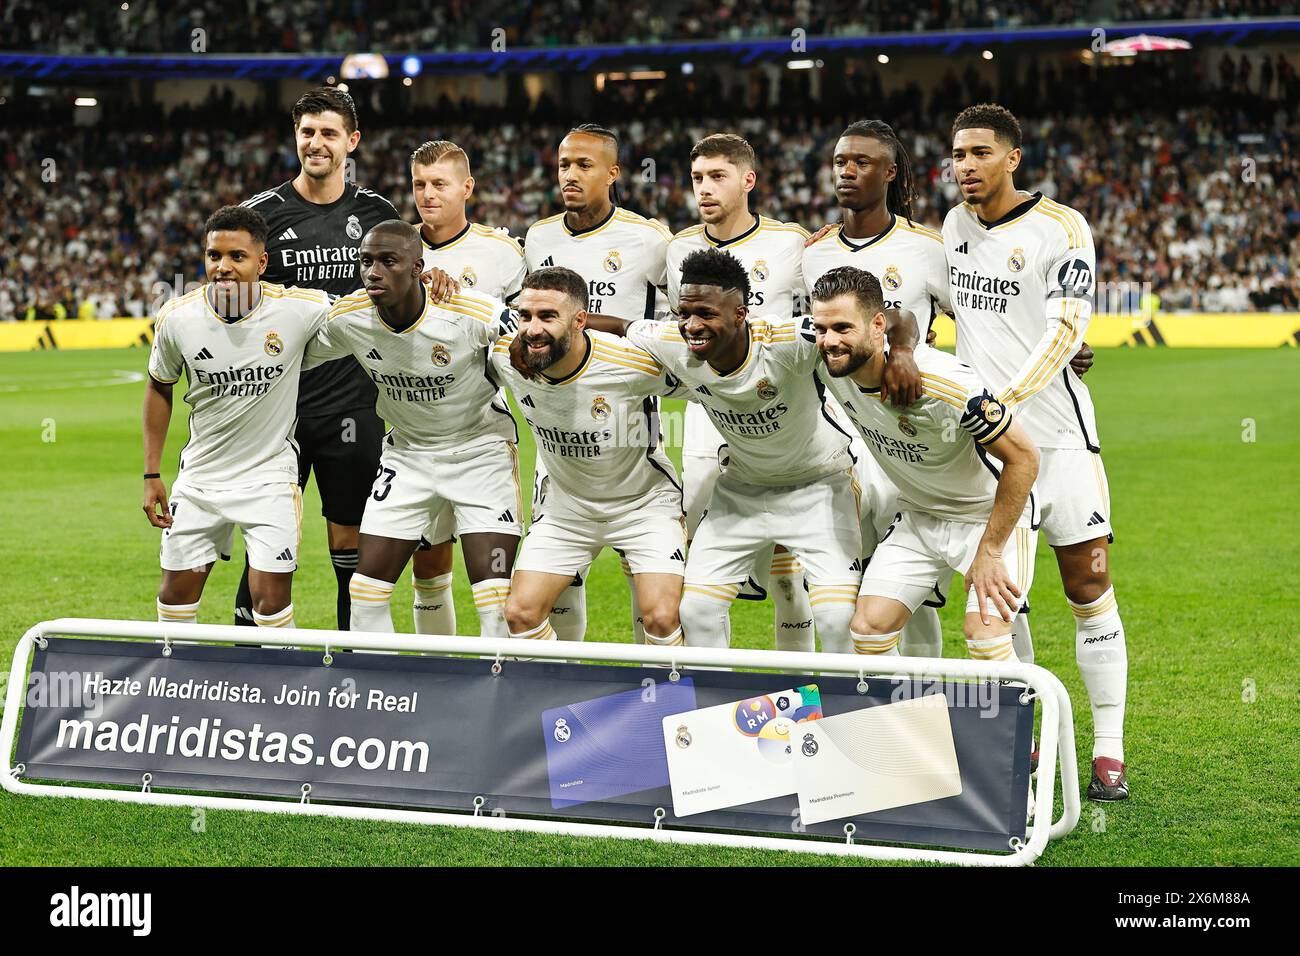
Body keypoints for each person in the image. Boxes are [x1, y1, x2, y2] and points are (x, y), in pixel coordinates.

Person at [946, 103, 1128, 800]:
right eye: (958, 154)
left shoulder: (1063, 227)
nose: (966, 166)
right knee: (1003, 600)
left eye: (980, 153)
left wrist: (1002, 403)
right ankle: (1027, 744)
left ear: (1012, 159)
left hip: (1056, 439)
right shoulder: (954, 227)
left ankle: (1108, 746)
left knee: (1087, 586)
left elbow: (1064, 333)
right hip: (989, 450)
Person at [810, 267, 1039, 665]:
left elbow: (1024, 458)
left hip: (987, 517)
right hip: (920, 515)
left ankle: (1032, 726)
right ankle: (904, 726)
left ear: (876, 325)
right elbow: (902, 318)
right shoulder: (829, 360)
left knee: (985, 639)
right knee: (868, 630)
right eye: (821, 328)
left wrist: (990, 550)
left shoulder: (945, 386)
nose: (829, 341)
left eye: (843, 328)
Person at [304, 221, 521, 635]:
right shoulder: (350, 318)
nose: (373, 272)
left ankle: (496, 695)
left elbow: (532, 344)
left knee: (495, 602)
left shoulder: (472, 313)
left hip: (480, 452)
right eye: (366, 261)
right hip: (408, 455)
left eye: (388, 262)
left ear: (419, 267)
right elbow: (295, 350)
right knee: (364, 594)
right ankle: (394, 696)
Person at [238, 86, 399, 632]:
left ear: (352, 141)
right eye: (307, 132)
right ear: (295, 137)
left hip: (356, 405)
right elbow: (235, 305)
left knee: (349, 538)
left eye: (329, 132)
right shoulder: (261, 215)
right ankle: (248, 662)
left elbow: (398, 299)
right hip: (276, 411)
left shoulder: (378, 213)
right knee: (267, 538)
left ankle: (352, 665)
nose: (316, 143)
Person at [142, 206, 329, 631]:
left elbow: (365, 309)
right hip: (201, 477)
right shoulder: (178, 318)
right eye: (213, 256)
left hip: (270, 475)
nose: (222, 267)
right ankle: (174, 690)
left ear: (261, 262)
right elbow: (159, 385)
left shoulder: (300, 309)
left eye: (236, 257)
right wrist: (152, 471)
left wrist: (423, 282)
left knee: (270, 600)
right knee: (175, 595)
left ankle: (280, 689)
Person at [666, 132, 818, 652]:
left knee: (786, 570)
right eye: (697, 179)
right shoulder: (678, 249)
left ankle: (800, 693)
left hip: (783, 414)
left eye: (717, 176)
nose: (703, 189)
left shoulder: (792, 243)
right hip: (710, 413)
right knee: (703, 570)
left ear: (748, 180)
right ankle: (715, 701)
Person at [523, 123, 672, 642]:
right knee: (561, 585)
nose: (570, 174)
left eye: (584, 165)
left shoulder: (649, 239)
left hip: (630, 436)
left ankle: (650, 699)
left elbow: (682, 320)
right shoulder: (538, 238)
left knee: (649, 589)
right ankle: (567, 698)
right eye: (564, 164)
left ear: (612, 173)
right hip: (558, 438)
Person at [490, 267, 685, 648]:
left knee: (661, 619)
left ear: (580, 321)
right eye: (525, 316)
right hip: (568, 511)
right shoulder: (506, 357)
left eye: (548, 317)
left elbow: (706, 382)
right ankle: (556, 702)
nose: (532, 329)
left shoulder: (630, 363)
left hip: (644, 506)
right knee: (519, 615)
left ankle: (665, 705)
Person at [407, 139, 528, 636]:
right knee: (428, 570)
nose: (428, 194)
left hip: (482, 433)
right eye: (419, 184)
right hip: (413, 437)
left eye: (439, 184)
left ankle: (495, 687)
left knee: (493, 580)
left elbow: (525, 334)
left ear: (467, 188)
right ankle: (439, 681)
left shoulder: (501, 252)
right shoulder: (396, 246)